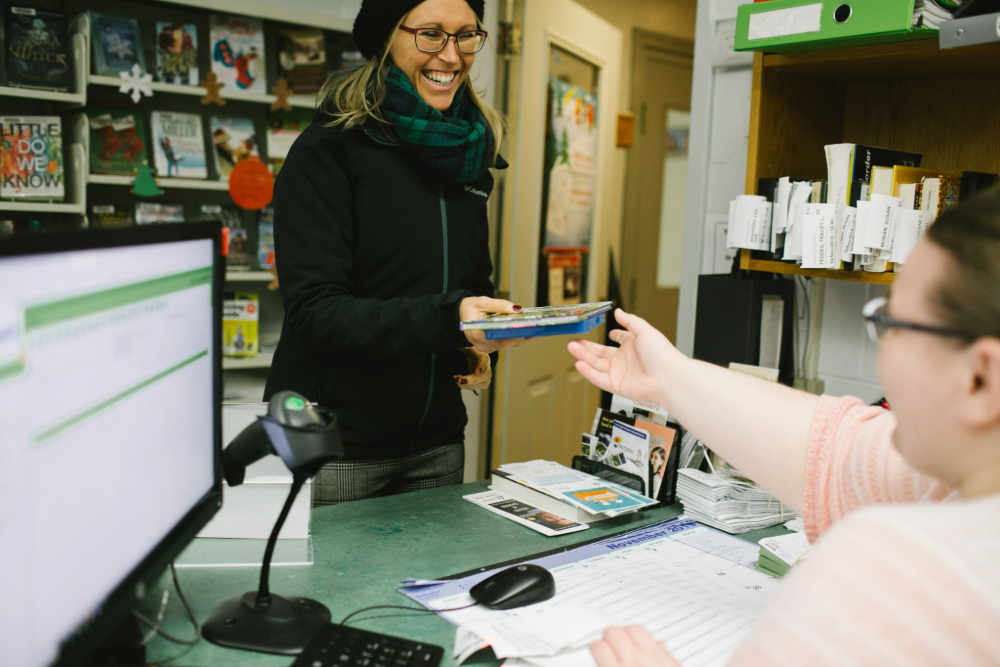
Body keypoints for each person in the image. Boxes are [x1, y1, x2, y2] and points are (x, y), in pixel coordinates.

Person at [570, 188, 1000, 666]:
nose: (885, 353)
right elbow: (835, 453)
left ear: (980, 379)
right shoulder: (956, 488)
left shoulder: (898, 573)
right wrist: (666, 376)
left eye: (898, 323)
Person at [265, 0, 525, 504]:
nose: (450, 56)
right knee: (328, 588)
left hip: (438, 444)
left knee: (432, 585)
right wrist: (452, 317)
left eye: (466, 35)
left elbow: (470, 284)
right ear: (387, 36)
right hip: (336, 446)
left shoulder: (470, 155)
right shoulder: (328, 151)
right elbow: (318, 313)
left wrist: (474, 341)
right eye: (431, 34)